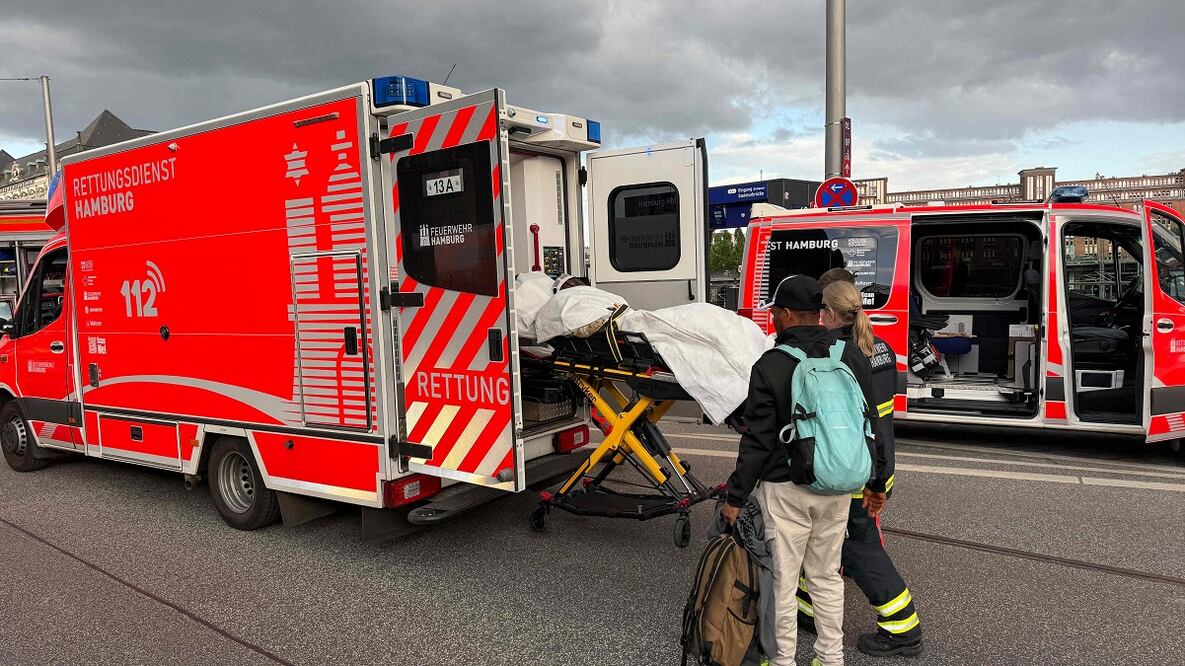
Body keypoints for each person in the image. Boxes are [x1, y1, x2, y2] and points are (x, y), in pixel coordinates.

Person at [723, 275, 882, 666]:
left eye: (775, 312)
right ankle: (830, 658)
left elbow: (757, 440)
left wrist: (735, 497)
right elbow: (870, 423)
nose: (773, 318)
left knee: (783, 578)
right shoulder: (848, 356)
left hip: (786, 487)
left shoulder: (772, 364)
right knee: (826, 576)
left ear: (788, 314)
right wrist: (876, 481)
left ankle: (782, 660)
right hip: (838, 484)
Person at [795, 268, 924, 658]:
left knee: (857, 546)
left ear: (830, 313)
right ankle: (808, 609)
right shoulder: (880, 346)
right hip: (877, 463)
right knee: (820, 540)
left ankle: (903, 628)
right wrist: (880, 477)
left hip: (849, 469)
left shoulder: (835, 352)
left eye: (821, 311)